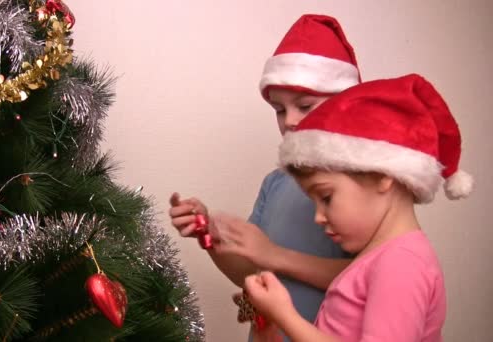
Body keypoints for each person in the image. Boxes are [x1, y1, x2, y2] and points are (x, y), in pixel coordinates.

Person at [169, 14, 361, 335]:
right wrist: (208, 236)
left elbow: (371, 276)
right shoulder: (276, 183)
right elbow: (252, 269)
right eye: (280, 110)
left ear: (345, 102)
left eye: (305, 106)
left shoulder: (364, 183)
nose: (289, 121)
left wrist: (275, 255)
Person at [244, 73, 473, 341]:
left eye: (326, 197)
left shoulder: (402, 263)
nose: (318, 216)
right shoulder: (377, 259)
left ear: (382, 176)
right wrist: (271, 328)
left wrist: (287, 317)